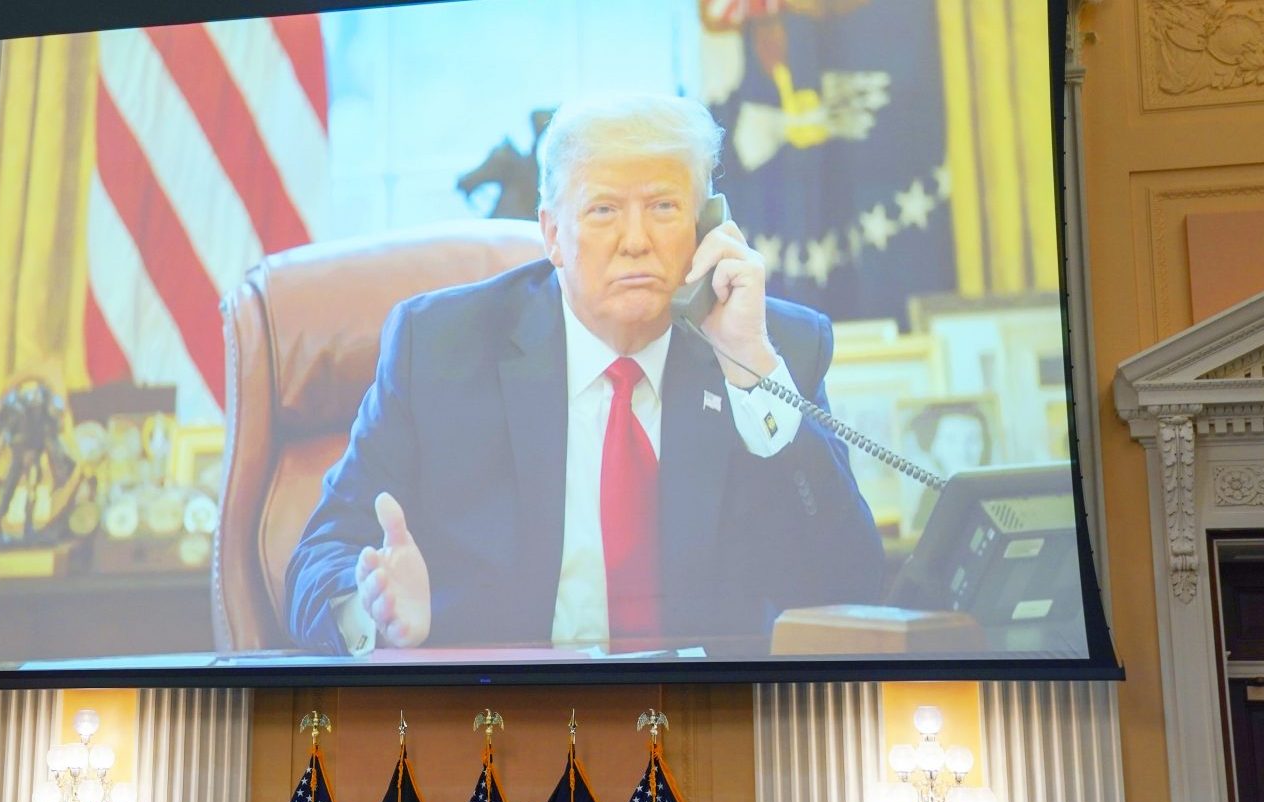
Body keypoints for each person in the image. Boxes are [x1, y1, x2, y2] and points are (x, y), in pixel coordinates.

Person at [285, 91, 881, 656]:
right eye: (603, 210)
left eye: (665, 207)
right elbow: (320, 553)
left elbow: (854, 584)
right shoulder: (441, 349)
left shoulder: (774, 348)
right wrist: (372, 609)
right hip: (500, 716)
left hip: (708, 715)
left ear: (707, 227)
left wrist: (752, 373)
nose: (636, 241)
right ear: (552, 235)